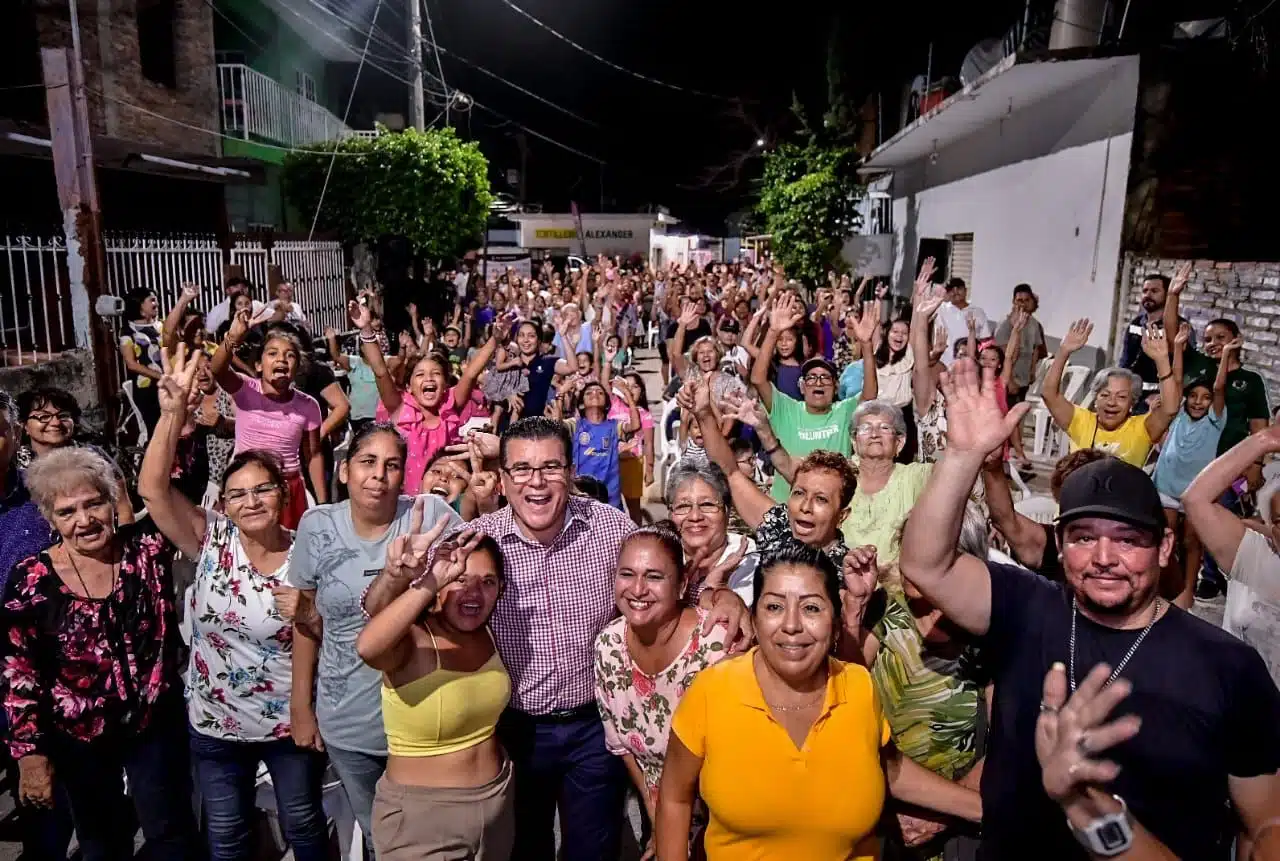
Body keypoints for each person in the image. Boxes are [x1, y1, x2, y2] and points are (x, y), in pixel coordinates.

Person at [898, 357, 1280, 859]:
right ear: (1060, 543)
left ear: (1165, 548)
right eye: (1083, 538)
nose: (1104, 558)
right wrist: (961, 457)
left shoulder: (1228, 665)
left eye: (1127, 540)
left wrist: (1084, 804)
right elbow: (926, 565)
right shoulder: (1024, 605)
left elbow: (1264, 822)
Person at [361, 417, 751, 861]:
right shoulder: (475, 543)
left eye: (551, 467)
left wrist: (719, 595)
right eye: (522, 470)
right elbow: (380, 619)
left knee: (593, 850)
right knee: (525, 849)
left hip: (594, 730)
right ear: (503, 479)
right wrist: (395, 579)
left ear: (570, 471)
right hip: (515, 730)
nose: (538, 483)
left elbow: (657, 588)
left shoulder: (611, 529)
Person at [655, 545, 982, 860]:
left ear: (836, 624)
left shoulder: (858, 686)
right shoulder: (713, 691)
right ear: (753, 619)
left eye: (811, 607)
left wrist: (981, 808)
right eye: (774, 607)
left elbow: (887, 767)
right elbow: (673, 797)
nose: (792, 625)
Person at [138, 344, 328, 861]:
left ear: (282, 492)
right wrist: (172, 411)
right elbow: (153, 491)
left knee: (304, 823)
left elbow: (328, 632)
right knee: (226, 836)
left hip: (290, 724)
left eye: (262, 489)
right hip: (215, 723)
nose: (250, 502)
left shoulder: (307, 551)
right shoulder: (211, 539)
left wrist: (310, 615)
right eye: (237, 494)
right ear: (222, 504)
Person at [2, 446, 201, 860]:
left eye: (93, 504)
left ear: (113, 503)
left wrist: (173, 411)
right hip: (79, 738)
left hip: (153, 725)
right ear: (50, 519)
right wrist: (29, 754)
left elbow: (162, 494)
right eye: (67, 512)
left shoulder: (147, 553)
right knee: (101, 843)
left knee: (171, 834)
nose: (84, 520)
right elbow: (19, 673)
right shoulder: (32, 578)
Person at [288, 423, 462, 845]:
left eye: (392, 465)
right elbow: (307, 622)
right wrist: (300, 706)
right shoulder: (318, 526)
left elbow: (474, 584)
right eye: (367, 462)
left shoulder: (429, 516)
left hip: (424, 716)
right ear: (344, 471)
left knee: (428, 840)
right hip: (348, 720)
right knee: (378, 837)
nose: (379, 475)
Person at [356, 512, 514, 861]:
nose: (473, 591)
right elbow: (368, 645)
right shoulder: (414, 638)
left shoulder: (488, 631)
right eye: (460, 578)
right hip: (422, 819)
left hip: (496, 804)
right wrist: (426, 581)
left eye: (488, 582)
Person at [594, 525, 736, 858]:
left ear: (683, 585)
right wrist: (654, 808)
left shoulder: (718, 645)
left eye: (654, 577)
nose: (638, 589)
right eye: (627, 574)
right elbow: (620, 741)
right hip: (662, 808)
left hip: (724, 815)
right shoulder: (609, 646)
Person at [752, 292, 879, 502]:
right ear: (802, 387)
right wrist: (773, 332)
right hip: (786, 507)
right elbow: (758, 379)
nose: (818, 382)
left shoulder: (844, 411)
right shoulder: (786, 408)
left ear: (836, 387)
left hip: (830, 511)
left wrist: (866, 345)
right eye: (811, 378)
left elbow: (870, 395)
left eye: (825, 378)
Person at [212, 310, 327, 528]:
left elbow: (313, 455)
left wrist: (322, 505)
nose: (281, 359)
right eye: (272, 353)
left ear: (296, 368)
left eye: (290, 355)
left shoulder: (308, 406)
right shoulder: (246, 390)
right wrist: (233, 338)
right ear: (258, 364)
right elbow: (217, 369)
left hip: (288, 490)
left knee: (289, 555)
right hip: (247, 485)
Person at [1185, 427, 1280, 684]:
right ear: (1271, 528)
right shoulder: (1254, 556)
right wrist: (1263, 441)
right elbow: (1196, 499)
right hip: (1242, 709)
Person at [1042, 319, 1178, 468]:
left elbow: (1170, 409)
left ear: (1132, 403)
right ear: (1095, 400)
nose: (1111, 402)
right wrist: (1063, 352)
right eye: (1105, 395)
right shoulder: (1081, 421)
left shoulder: (1142, 429)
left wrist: (1162, 360)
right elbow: (1049, 394)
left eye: (1121, 397)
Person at [14, 387, 135, 526]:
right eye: (44, 417)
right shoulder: (15, 465)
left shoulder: (93, 455)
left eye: (63, 415)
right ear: (24, 425)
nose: (56, 423)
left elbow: (123, 506)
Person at [842, 399, 932, 564]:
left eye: (884, 428)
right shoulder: (838, 475)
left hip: (900, 584)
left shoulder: (917, 476)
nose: (874, 434)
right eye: (865, 428)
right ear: (854, 442)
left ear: (899, 442)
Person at [665, 462, 756, 605]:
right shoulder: (662, 555)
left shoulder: (747, 558)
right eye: (683, 506)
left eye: (707, 504)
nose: (695, 517)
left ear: (727, 512)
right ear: (670, 515)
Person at [1120, 265, 1194, 400]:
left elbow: (1186, 367)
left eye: (1154, 291)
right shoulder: (1135, 324)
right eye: (1145, 291)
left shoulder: (1181, 327)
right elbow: (1125, 362)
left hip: (1162, 398)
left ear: (1167, 294)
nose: (1148, 295)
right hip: (1132, 396)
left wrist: (1164, 396)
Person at [118, 287, 165, 432]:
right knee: (157, 429)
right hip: (146, 388)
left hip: (167, 384)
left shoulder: (161, 326)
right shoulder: (128, 332)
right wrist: (159, 376)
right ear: (139, 305)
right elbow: (131, 364)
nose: (156, 303)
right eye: (152, 300)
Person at [993, 284, 1048, 405]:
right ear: (1013, 301)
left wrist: (1032, 372)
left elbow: (1035, 349)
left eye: (1027, 300)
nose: (1023, 303)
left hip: (1024, 379)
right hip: (1009, 379)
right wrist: (1010, 380)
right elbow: (1001, 354)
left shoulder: (1034, 323)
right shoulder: (1006, 323)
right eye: (1019, 300)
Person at [936, 278, 990, 367]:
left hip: (970, 364)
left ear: (966, 290)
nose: (955, 291)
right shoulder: (940, 309)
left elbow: (985, 340)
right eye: (951, 289)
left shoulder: (978, 312)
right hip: (943, 362)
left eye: (959, 288)